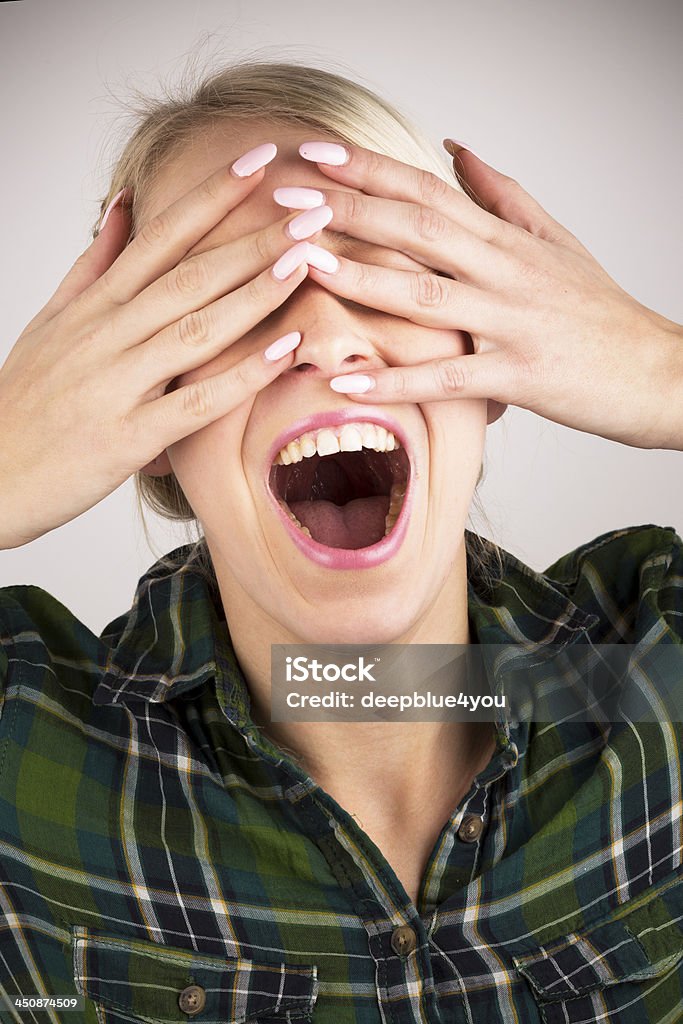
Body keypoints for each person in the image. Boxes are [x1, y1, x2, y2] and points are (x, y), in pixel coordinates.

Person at [0, 59, 681, 1024]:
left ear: (491, 352)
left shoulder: (654, 655)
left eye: (379, 274)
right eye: (234, 296)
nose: (325, 335)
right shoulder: (24, 745)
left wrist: (664, 370)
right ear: (140, 428)